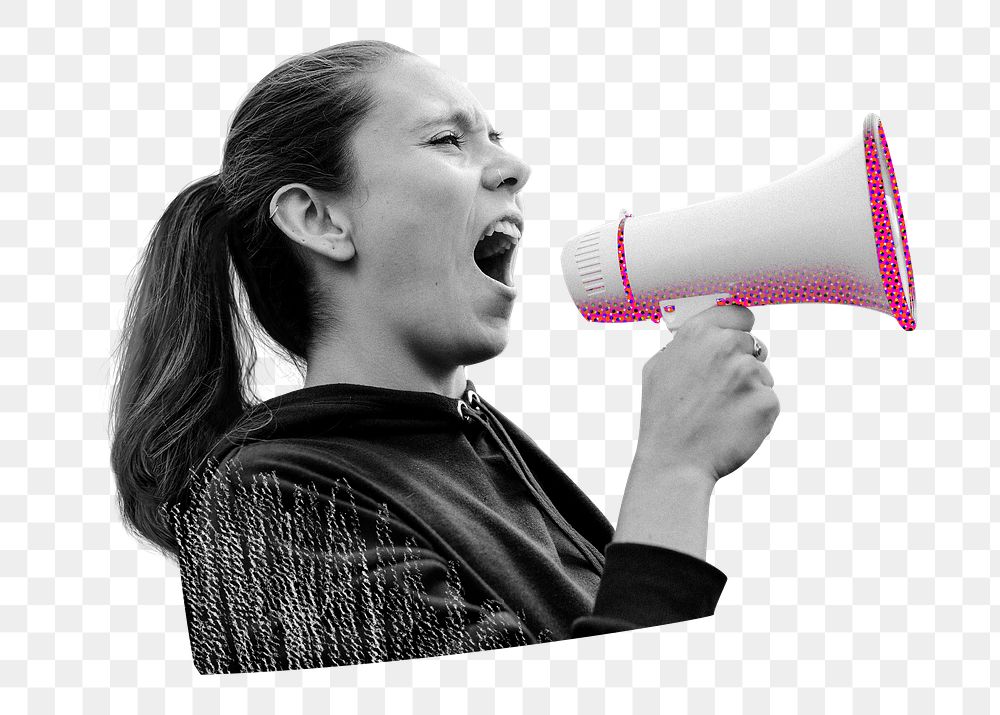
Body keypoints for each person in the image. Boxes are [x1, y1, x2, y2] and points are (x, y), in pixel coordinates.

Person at [108, 40, 780, 675]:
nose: (515, 167)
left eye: (496, 136)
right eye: (447, 140)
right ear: (321, 220)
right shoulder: (261, 505)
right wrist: (673, 470)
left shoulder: (483, 451)